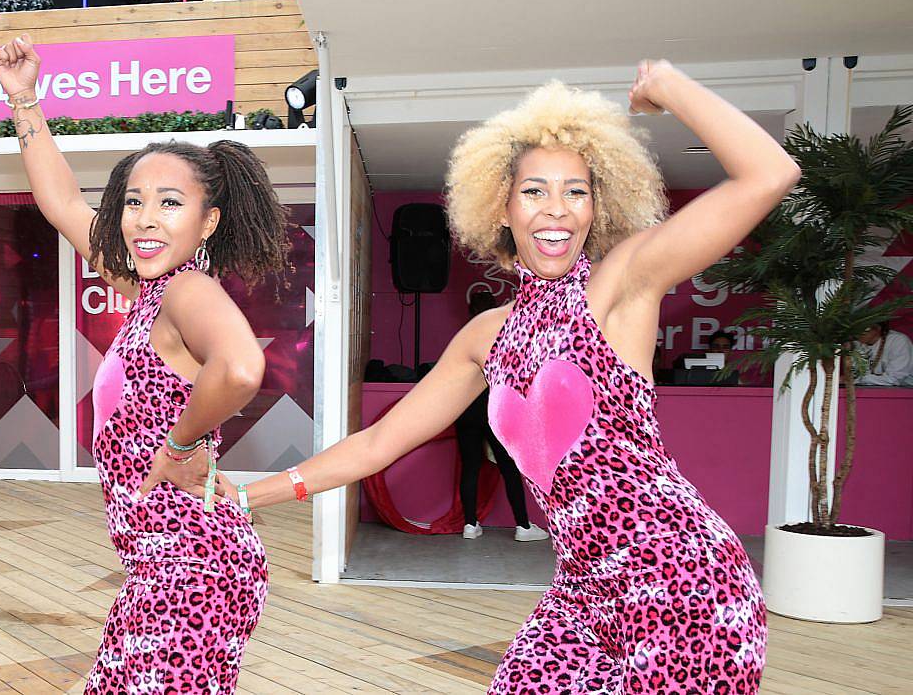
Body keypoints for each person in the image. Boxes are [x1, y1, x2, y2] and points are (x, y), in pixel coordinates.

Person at [176, 61, 799, 691]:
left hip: (682, 583)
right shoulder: (486, 336)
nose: (555, 210)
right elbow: (377, 444)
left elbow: (770, 174)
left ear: (596, 205)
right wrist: (250, 496)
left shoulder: (622, 283)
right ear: (502, 207)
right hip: (582, 594)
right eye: (534, 191)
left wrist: (668, 87)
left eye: (575, 191)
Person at [0, 34, 290, 692]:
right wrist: (23, 100)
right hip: (165, 565)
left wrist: (182, 440)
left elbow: (241, 367)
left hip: (189, 569)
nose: (144, 218)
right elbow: (66, 206)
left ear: (207, 223)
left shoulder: (187, 291)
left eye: (170, 202)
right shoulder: (152, 292)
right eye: (133, 200)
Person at [458, 290, 548, 542]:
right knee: (508, 468)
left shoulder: (463, 337)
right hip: (494, 409)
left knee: (470, 468)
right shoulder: (505, 337)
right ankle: (522, 525)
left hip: (465, 409)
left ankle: (469, 524)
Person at [855, 321, 913, 386]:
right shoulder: (857, 344)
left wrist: (856, 380)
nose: (857, 333)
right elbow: (856, 373)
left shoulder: (898, 341)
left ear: (878, 328)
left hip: (906, 391)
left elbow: (894, 379)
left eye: (862, 329)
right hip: (872, 390)